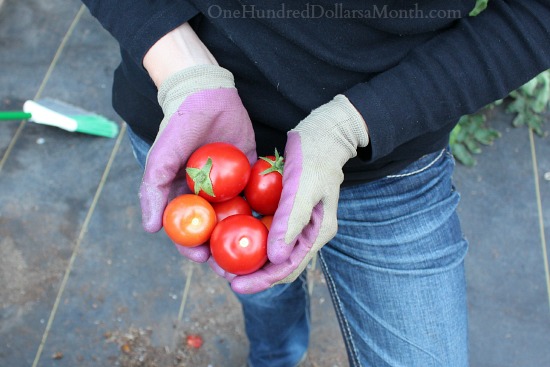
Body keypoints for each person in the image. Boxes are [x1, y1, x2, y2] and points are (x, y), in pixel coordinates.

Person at [82, 1, 550, 366]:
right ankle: (277, 358)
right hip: (191, 125)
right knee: (264, 290)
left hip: (388, 159)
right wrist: (183, 70)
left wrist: (351, 125)